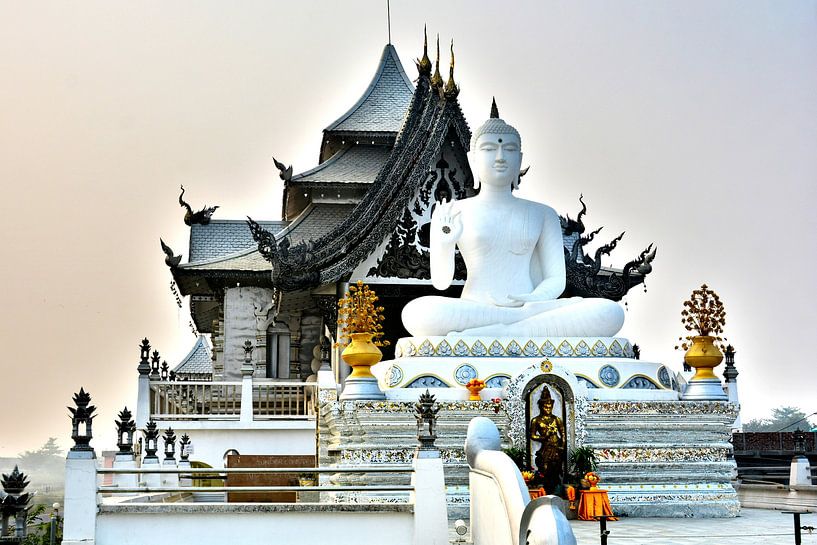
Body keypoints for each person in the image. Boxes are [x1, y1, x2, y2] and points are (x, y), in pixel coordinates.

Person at [401, 114, 624, 338]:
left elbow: (556, 279)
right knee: (416, 313)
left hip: (530, 308)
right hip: (476, 309)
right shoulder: (452, 212)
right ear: (472, 160)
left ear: (519, 159)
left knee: (609, 312)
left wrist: (534, 300)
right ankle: (512, 327)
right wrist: (445, 244)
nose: (500, 157)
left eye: (509, 149)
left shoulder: (543, 213)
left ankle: (497, 330)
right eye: (489, 149)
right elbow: (441, 283)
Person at [529, 388, 565, 492]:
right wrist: (544, 437)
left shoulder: (556, 419)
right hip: (545, 448)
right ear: (541, 406)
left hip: (556, 446)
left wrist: (562, 445)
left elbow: (562, 433)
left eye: (550, 407)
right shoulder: (536, 420)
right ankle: (545, 489)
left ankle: (557, 490)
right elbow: (532, 435)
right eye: (546, 407)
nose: (548, 409)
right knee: (544, 469)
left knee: (556, 470)